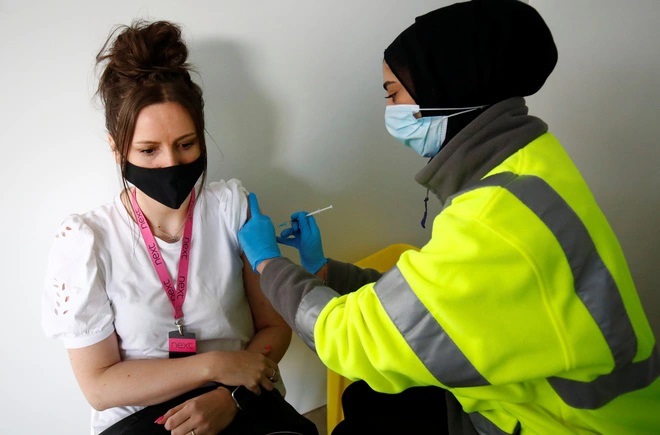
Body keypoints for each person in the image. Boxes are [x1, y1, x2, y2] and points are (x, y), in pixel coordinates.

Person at [236, 0, 660, 434]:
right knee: (366, 401)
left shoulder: (491, 220)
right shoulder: (528, 163)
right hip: (534, 394)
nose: (390, 110)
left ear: (444, 90)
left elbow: (353, 342)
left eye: (393, 94)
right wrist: (325, 271)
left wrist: (269, 264)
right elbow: (429, 308)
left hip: (566, 424)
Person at [41, 20, 317, 435]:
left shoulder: (231, 209)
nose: (170, 164)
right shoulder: (86, 243)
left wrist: (230, 396)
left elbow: (274, 328)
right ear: (117, 149)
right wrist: (213, 365)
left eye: (186, 144)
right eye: (148, 150)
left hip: (239, 397)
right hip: (141, 418)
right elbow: (99, 386)